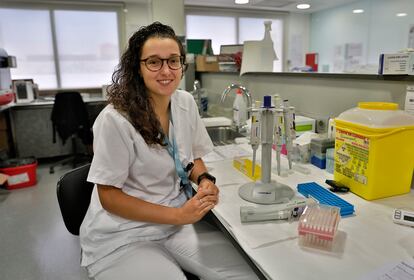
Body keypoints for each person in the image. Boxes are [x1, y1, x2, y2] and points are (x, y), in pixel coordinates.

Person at [79, 22, 258, 280]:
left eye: (173, 61)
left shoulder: (184, 102)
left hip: (176, 225)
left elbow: (192, 156)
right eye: (154, 62)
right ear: (137, 68)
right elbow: (109, 196)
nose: (166, 70)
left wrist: (204, 179)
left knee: (244, 275)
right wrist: (178, 215)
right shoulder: (115, 119)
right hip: (124, 234)